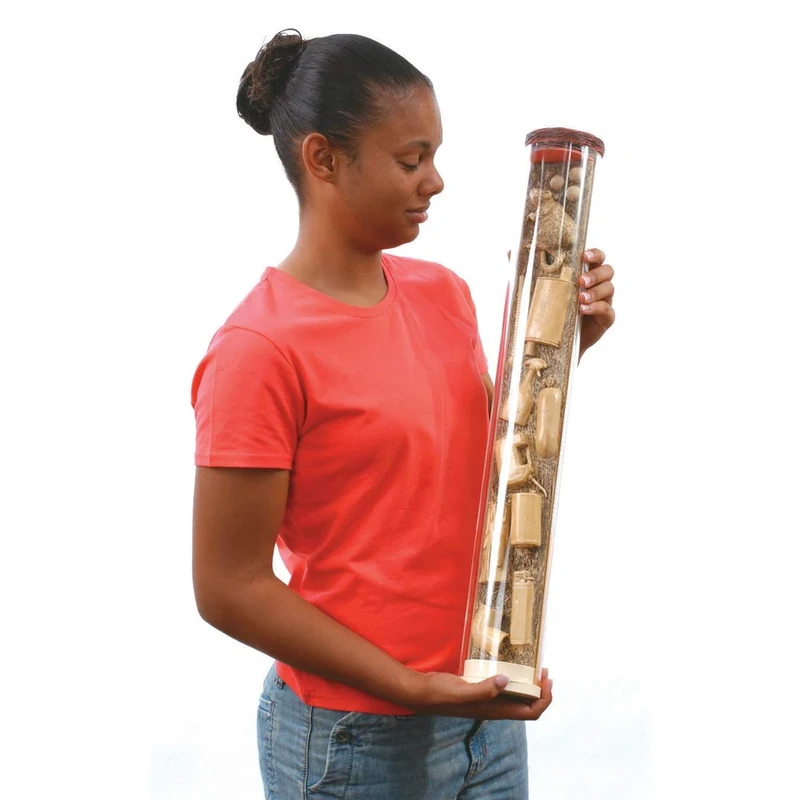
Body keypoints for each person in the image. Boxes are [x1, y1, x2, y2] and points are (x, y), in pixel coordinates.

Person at [190, 29, 616, 800]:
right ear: (322, 159)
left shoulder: (440, 291)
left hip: (483, 716)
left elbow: (480, 462)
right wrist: (410, 687)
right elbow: (228, 586)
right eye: (411, 159)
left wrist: (561, 350)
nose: (437, 181)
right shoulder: (259, 349)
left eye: (436, 156)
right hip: (356, 743)